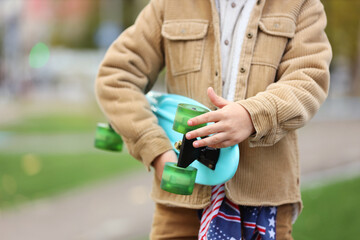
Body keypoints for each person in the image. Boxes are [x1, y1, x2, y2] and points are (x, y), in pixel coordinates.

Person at [95, 0, 332, 239]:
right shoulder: (169, 4)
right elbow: (116, 76)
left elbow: (309, 79)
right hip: (180, 203)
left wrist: (252, 116)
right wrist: (155, 150)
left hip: (264, 202)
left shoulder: (302, 5)